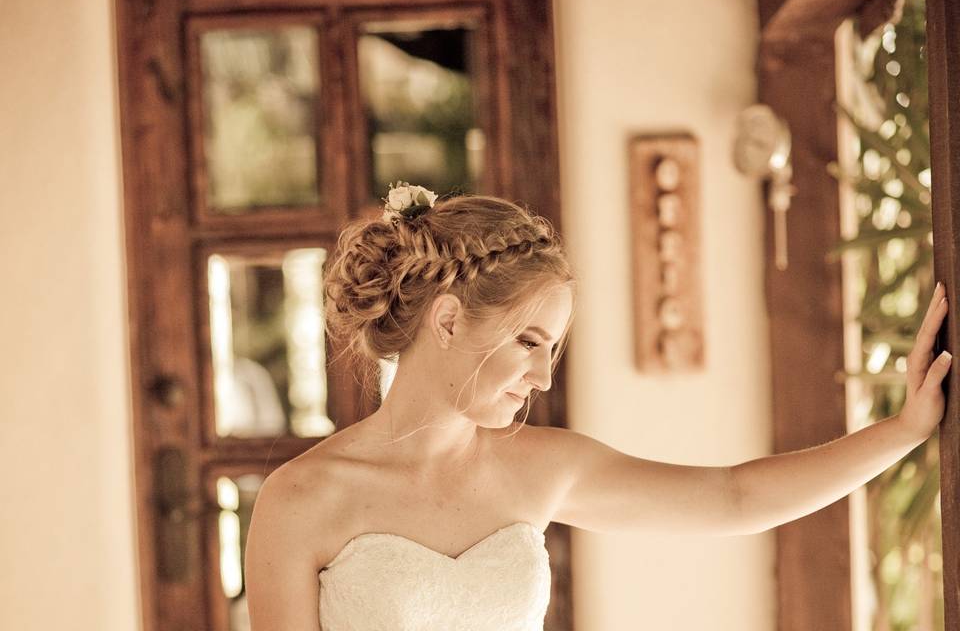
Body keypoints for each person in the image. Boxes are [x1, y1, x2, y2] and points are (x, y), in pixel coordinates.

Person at [243, 185, 952, 631]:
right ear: (450, 321)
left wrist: (904, 430)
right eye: (528, 341)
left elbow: (734, 497)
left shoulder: (542, 469)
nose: (542, 377)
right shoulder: (300, 500)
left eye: (551, 348)